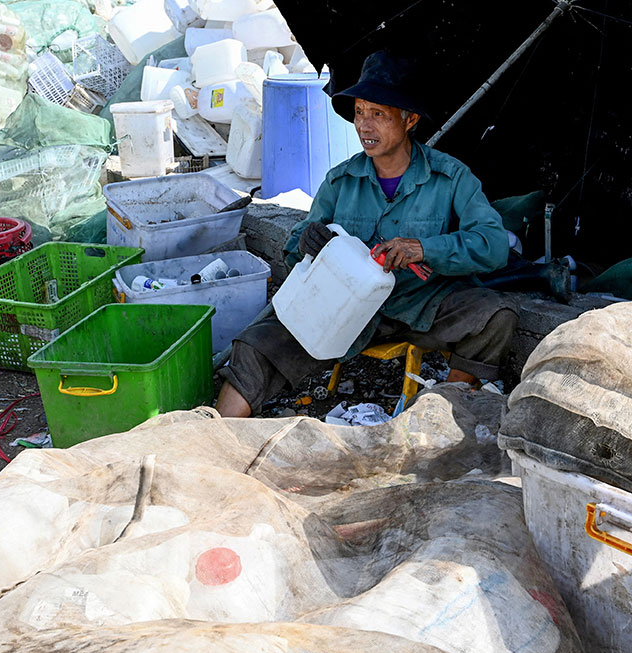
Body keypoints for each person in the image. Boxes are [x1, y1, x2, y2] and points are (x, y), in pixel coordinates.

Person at [215, 50, 519, 417]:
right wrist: (308, 242)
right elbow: (296, 245)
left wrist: (425, 248)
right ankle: (217, 439)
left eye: (378, 114)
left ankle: (440, 410)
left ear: (409, 120)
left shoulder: (450, 178)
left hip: (419, 304)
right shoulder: (341, 180)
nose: (364, 126)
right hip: (341, 310)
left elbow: (493, 245)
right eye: (360, 112)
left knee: (495, 314)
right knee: (255, 344)